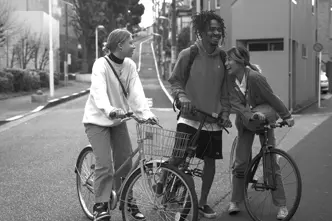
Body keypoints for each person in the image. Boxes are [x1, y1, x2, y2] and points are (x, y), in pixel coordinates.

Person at [82, 29, 158, 221]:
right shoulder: (101, 65)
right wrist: (110, 110)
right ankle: (100, 204)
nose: (134, 45)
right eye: (131, 42)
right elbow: (98, 91)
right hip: (97, 120)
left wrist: (145, 114)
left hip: (118, 120)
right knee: (105, 164)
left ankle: (127, 199)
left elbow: (136, 92)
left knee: (126, 161)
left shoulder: (130, 65)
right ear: (119, 45)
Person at [167, 10, 232, 219]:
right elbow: (175, 80)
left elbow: (226, 90)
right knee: (178, 158)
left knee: (210, 162)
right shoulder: (189, 54)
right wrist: (183, 98)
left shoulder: (223, 56)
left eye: (218, 29)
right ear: (201, 33)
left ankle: (202, 202)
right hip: (189, 117)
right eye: (211, 29)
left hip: (212, 120)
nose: (216, 33)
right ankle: (163, 176)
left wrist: (225, 112)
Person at [225, 46, 295, 220]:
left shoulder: (255, 78)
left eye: (229, 60)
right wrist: (250, 115)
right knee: (240, 162)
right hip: (246, 121)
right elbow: (237, 105)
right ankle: (236, 200)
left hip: (265, 118)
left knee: (271, 162)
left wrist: (286, 116)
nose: (226, 63)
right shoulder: (229, 79)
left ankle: (281, 205)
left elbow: (271, 97)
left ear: (241, 61)